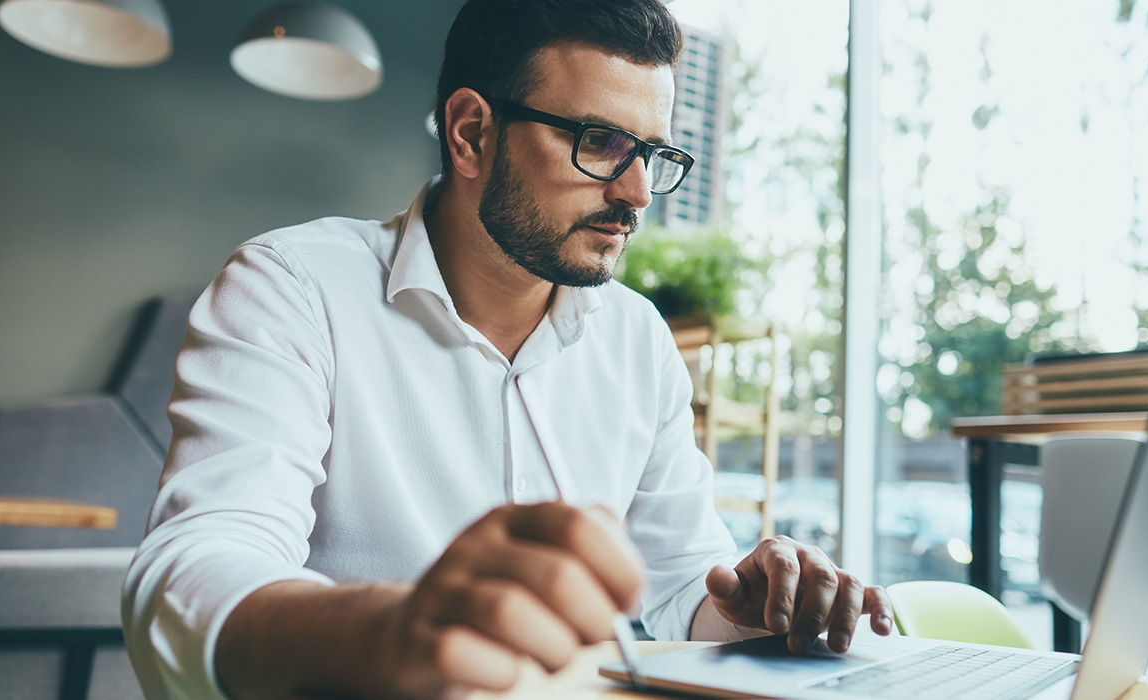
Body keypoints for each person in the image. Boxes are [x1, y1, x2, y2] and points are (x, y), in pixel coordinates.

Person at [122, 1, 893, 698]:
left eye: (652, 155)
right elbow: (194, 570)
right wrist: (391, 633)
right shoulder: (293, 287)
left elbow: (680, 589)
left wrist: (754, 607)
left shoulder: (636, 338)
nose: (635, 195)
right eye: (601, 143)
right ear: (471, 133)